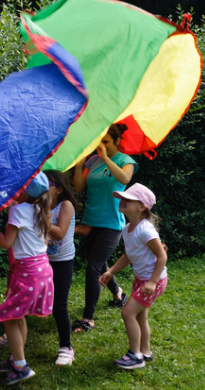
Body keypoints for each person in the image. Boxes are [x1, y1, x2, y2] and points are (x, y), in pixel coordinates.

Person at [0, 172, 56, 385]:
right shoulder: (40, 209)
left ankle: (21, 367)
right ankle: (16, 358)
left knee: (9, 317)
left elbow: (6, 243)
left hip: (28, 273)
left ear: (23, 191)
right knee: (19, 315)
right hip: (41, 269)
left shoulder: (18, 210)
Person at [72, 123, 138, 333]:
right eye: (99, 141)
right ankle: (118, 293)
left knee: (93, 267)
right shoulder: (92, 161)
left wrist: (107, 158)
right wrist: (79, 163)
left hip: (111, 223)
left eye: (106, 142)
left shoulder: (125, 161)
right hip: (90, 221)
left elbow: (124, 179)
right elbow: (79, 187)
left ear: (117, 141)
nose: (101, 146)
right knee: (99, 265)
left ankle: (88, 318)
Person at [99, 183, 167, 370]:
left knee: (128, 312)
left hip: (153, 280)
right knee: (140, 316)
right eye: (121, 198)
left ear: (141, 206)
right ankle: (145, 351)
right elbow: (128, 255)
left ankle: (135, 356)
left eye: (127, 199)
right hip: (142, 279)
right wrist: (111, 271)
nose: (122, 201)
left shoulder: (145, 230)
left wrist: (153, 281)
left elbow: (162, 256)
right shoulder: (127, 228)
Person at [44, 170, 78, 366]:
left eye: (46, 183)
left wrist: (38, 214)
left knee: (58, 306)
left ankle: (66, 347)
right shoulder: (38, 206)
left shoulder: (65, 205)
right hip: (41, 261)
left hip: (62, 263)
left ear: (58, 189)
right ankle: (13, 334)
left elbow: (59, 233)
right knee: (26, 298)